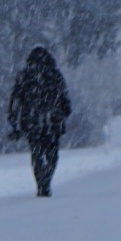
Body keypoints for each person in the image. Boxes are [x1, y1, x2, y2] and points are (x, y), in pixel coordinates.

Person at [7, 45, 72, 196]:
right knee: (52, 153)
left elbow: (15, 100)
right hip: (53, 121)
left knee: (36, 153)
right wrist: (65, 111)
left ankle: (40, 181)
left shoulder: (24, 76)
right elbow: (64, 97)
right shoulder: (55, 75)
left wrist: (13, 119)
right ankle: (47, 178)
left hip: (31, 121)